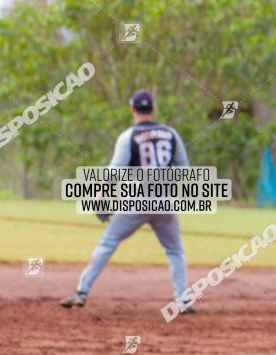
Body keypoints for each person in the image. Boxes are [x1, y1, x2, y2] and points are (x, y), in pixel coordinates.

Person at [61, 89, 196, 313]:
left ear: (132, 109)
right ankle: (182, 299)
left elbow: (114, 173)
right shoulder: (171, 133)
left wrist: (101, 196)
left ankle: (82, 291)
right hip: (165, 203)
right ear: (153, 109)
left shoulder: (128, 136)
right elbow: (184, 169)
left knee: (107, 243)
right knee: (175, 250)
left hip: (135, 202)